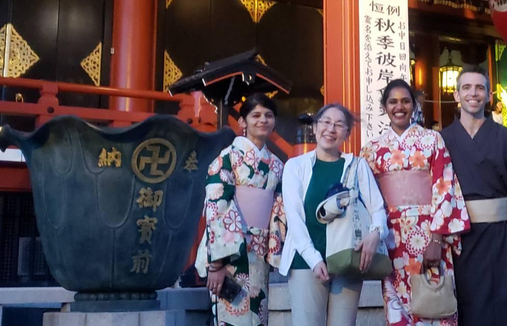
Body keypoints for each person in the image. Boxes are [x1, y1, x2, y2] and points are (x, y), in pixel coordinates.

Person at [440, 67, 507, 326]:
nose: (473, 94)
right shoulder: (442, 140)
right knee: (468, 308)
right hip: (460, 241)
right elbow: (435, 192)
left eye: (479, 88)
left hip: (504, 239)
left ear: (489, 95)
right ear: (456, 95)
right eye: (466, 88)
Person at [360, 79, 469, 326]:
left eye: (405, 101)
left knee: (435, 306)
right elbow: (365, 199)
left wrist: (437, 239)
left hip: (428, 235)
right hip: (390, 239)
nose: (400, 107)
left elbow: (445, 186)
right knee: (396, 309)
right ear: (384, 107)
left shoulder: (432, 140)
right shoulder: (371, 150)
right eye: (393, 102)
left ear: (415, 105)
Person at [280, 103, 388, 326]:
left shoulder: (357, 166)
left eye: (339, 125)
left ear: (347, 133)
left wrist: (375, 234)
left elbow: (377, 208)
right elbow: (295, 220)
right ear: (316, 126)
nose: (331, 129)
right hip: (305, 262)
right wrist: (313, 259)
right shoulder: (295, 166)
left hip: (347, 258)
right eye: (326, 122)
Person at [198, 93, 285, 326]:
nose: (263, 120)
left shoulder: (277, 165)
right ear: (243, 122)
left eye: (268, 115)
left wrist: (275, 251)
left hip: (260, 252)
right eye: (255, 115)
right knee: (231, 317)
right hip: (230, 256)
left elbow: (279, 211)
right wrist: (216, 264)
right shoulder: (226, 159)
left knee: (259, 316)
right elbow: (217, 207)